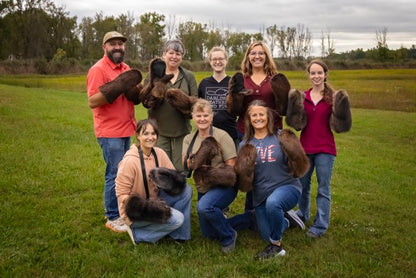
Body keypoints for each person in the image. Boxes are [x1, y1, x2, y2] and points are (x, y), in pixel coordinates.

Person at [227, 41, 291, 229]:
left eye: (261, 53)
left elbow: (284, 107)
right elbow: (233, 109)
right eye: (253, 53)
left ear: (266, 56)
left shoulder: (275, 78)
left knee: (272, 172)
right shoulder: (242, 78)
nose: (257, 56)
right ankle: (251, 214)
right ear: (248, 56)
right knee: (250, 172)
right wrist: (235, 95)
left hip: (273, 131)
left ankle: (277, 210)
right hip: (246, 132)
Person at [234, 100, 307, 259]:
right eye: (254, 115)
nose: (258, 118)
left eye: (261, 114)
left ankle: (276, 247)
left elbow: (300, 161)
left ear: (268, 117)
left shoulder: (281, 136)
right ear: (249, 119)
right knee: (266, 234)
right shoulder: (244, 145)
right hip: (261, 197)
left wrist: (293, 153)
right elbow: (243, 178)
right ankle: (287, 220)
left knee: (274, 204)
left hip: (287, 187)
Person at [87, 31, 141, 233]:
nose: (117, 47)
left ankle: (122, 209)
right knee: (114, 173)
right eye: (113, 44)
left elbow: (133, 96)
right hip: (109, 132)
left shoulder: (125, 68)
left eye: (120, 44)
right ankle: (112, 217)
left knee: (124, 172)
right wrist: (118, 86)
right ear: (104, 47)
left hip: (127, 128)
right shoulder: (98, 69)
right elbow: (92, 101)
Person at [292, 59, 352, 238]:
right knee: (302, 185)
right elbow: (297, 125)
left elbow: (341, 125)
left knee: (323, 188)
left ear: (325, 74)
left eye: (319, 73)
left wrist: (343, 109)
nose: (316, 76)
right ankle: (302, 214)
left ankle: (320, 225)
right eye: (313, 73)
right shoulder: (303, 97)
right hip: (305, 148)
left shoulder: (334, 98)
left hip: (325, 149)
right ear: (309, 75)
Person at [115, 119, 193, 244]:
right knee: (178, 218)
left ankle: (179, 236)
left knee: (186, 190)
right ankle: (139, 235)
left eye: (153, 134)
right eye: (145, 134)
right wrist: (147, 207)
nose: (150, 137)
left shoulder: (160, 153)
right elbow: (121, 194)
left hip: (155, 199)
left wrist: (164, 179)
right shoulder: (129, 161)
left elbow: (174, 180)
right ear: (138, 136)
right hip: (136, 210)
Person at [182, 99, 238, 252]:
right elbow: (187, 165)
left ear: (212, 117)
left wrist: (209, 171)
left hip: (224, 184)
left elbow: (231, 165)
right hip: (204, 187)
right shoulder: (188, 139)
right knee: (208, 234)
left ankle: (229, 236)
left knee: (204, 207)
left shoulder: (222, 135)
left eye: (206, 115)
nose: (202, 119)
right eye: (198, 115)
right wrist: (195, 160)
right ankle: (249, 218)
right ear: (193, 117)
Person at [143, 39, 198, 172]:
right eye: (171, 52)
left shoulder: (188, 76)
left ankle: (181, 192)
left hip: (181, 130)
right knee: (161, 168)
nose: (174, 57)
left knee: (181, 168)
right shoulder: (153, 75)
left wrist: (183, 102)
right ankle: (160, 192)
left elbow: (196, 102)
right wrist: (157, 91)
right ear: (164, 54)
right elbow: (145, 101)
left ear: (182, 57)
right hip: (159, 131)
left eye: (178, 54)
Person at [198, 46, 238, 149]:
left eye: (221, 59)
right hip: (208, 134)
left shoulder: (233, 83)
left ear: (226, 60)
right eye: (214, 59)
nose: (217, 62)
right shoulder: (204, 83)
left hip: (230, 133)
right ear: (210, 61)